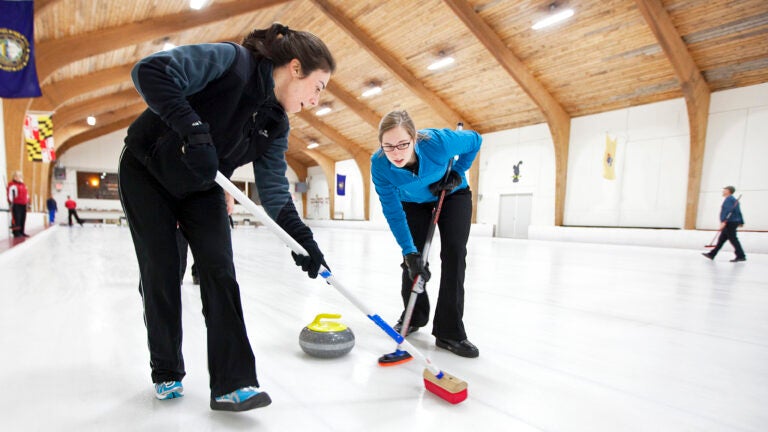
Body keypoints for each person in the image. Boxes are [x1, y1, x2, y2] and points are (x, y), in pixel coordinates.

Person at [119, 23, 335, 412]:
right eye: (319, 87)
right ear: (296, 68)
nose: (317, 101)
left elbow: (273, 192)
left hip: (202, 187)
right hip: (147, 171)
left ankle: (233, 382)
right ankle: (166, 368)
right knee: (163, 269)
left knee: (220, 270)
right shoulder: (232, 63)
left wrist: (302, 239)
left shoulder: (276, 124)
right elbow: (149, 72)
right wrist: (194, 130)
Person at [371, 110, 482, 358]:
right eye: (388, 146)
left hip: (451, 194)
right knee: (414, 260)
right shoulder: (379, 165)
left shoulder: (438, 143)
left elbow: (475, 140)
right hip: (412, 203)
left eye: (403, 144)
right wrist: (409, 252)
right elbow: (392, 211)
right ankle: (413, 316)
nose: (396, 153)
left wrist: (457, 172)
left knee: (454, 253)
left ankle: (449, 332)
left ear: (414, 138)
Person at [702, 185, 746, 262]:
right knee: (722, 239)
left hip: (730, 222)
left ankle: (741, 256)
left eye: (724, 190)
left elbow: (728, 211)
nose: (723, 191)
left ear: (728, 191)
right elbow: (738, 211)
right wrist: (741, 221)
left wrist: (724, 221)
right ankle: (712, 254)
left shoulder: (729, 200)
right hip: (732, 221)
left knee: (733, 239)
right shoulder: (734, 200)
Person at [7, 171, 29, 237]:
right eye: (16, 176)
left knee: (23, 218)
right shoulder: (12, 185)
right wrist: (11, 201)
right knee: (17, 218)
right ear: (14, 177)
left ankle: (22, 231)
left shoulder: (23, 185)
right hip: (16, 203)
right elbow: (10, 194)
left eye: (19, 176)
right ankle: (16, 232)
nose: (18, 177)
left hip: (23, 204)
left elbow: (27, 194)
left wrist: (27, 201)